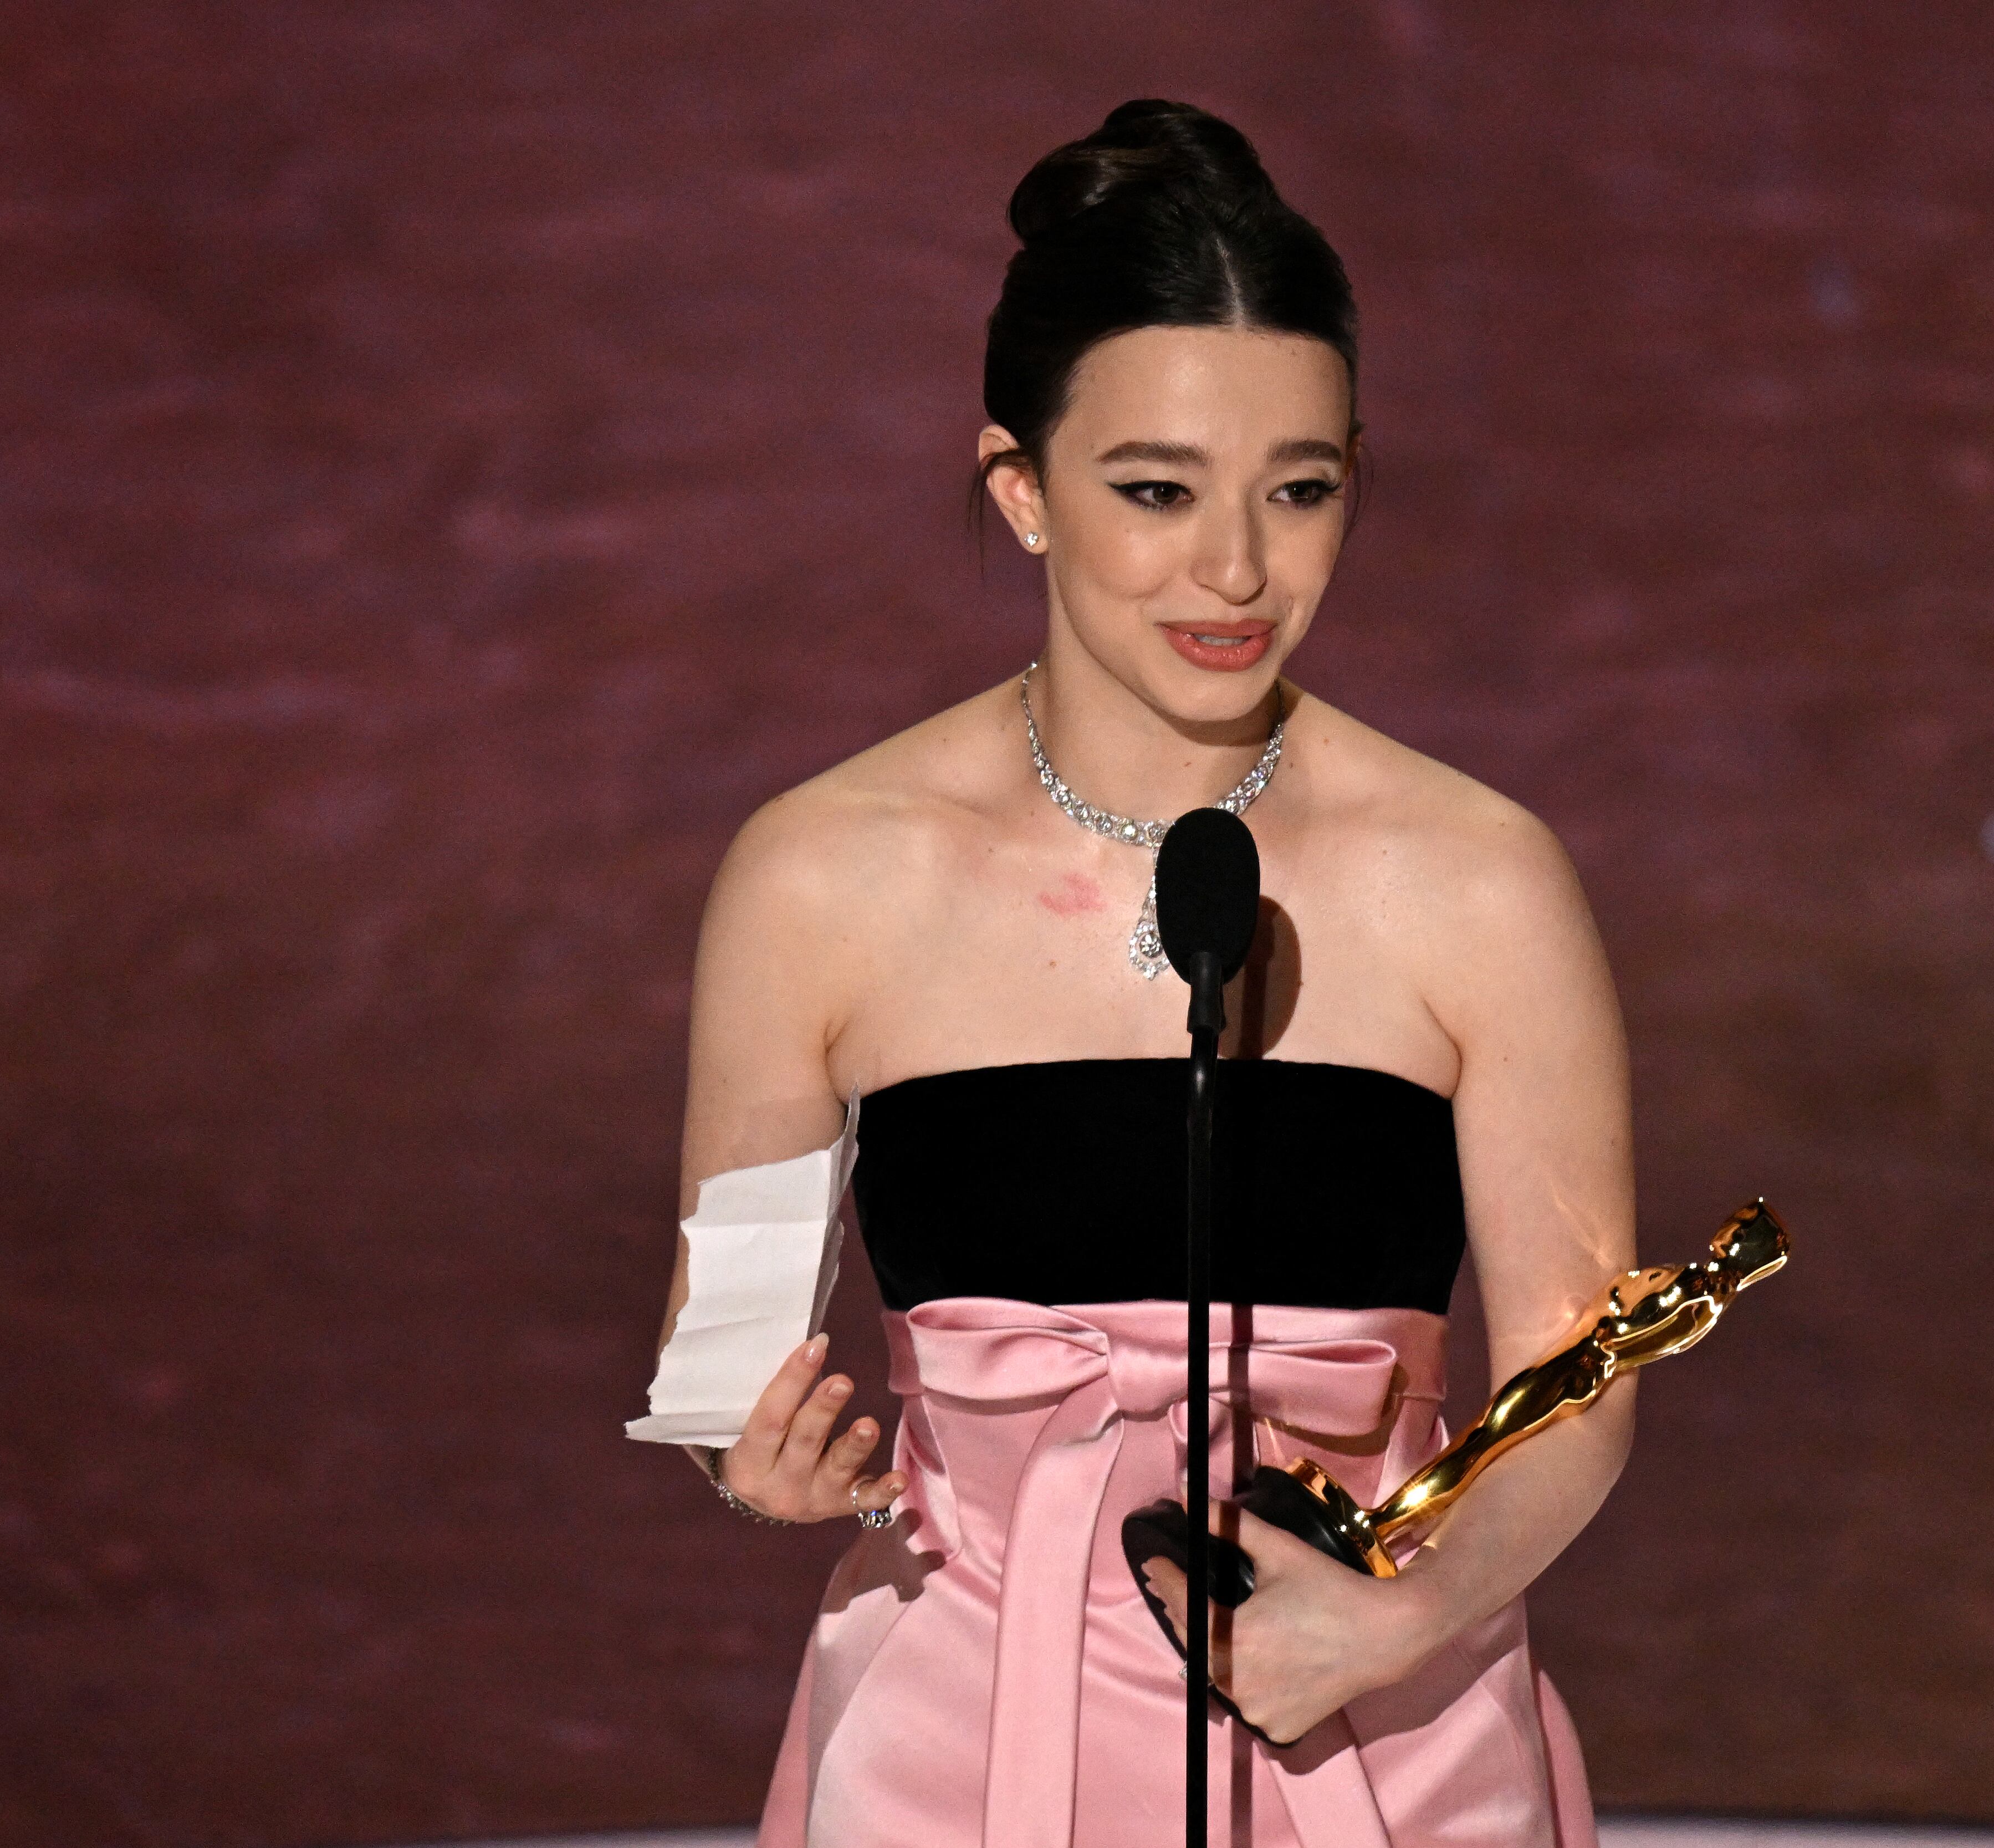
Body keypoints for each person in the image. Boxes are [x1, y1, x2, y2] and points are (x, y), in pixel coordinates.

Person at [659, 99, 1636, 1847]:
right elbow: (730, 1348)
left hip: (1375, 1730)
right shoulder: (821, 876)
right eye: (1156, 492)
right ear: (1021, 489)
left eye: (1302, 491)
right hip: (959, 1742)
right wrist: (756, 1462)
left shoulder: (1481, 883)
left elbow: (1583, 1379)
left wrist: (1397, 1615)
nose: (1239, 571)